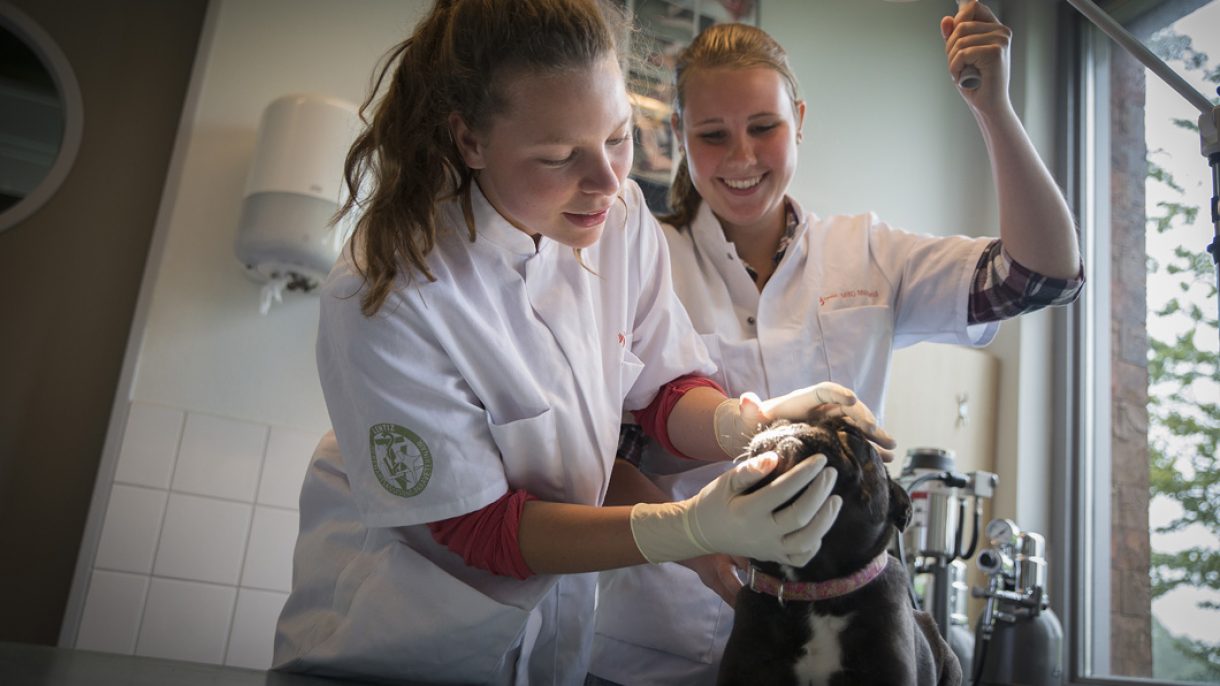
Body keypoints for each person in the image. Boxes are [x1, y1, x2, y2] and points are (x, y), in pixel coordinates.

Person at [271, 1, 894, 684]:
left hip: (553, 650)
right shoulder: (391, 291)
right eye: (560, 155)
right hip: (402, 647)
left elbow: (662, 391)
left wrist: (750, 422)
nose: (606, 181)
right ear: (470, 140)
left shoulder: (619, 219)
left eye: (619, 137)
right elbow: (481, 530)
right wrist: (686, 526)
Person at [588, 4, 1085, 685]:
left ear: (799, 120)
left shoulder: (867, 253)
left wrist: (992, 108)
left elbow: (1042, 276)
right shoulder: (644, 258)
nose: (742, 158)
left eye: (764, 127)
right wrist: (700, 550)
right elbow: (594, 454)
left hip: (847, 651)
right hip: (654, 644)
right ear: (677, 134)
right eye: (712, 134)